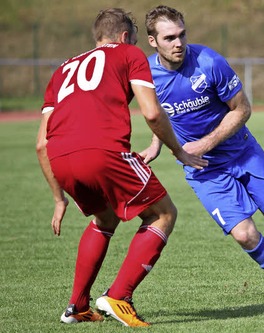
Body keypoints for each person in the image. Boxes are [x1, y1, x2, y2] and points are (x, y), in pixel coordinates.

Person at [35, 8, 208, 327]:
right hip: (102, 152)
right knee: (163, 213)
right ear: (126, 37)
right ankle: (119, 296)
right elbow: (152, 113)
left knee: (105, 216)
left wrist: (59, 200)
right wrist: (178, 150)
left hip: (60, 158)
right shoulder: (129, 53)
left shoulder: (62, 69)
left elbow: (41, 143)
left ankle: (77, 306)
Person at [141, 5, 264, 304]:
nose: (178, 43)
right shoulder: (147, 76)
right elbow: (159, 113)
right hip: (205, 171)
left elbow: (243, 109)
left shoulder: (209, 62)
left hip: (243, 153)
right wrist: (156, 145)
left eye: (182, 34)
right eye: (170, 37)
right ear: (153, 41)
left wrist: (205, 143)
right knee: (244, 235)